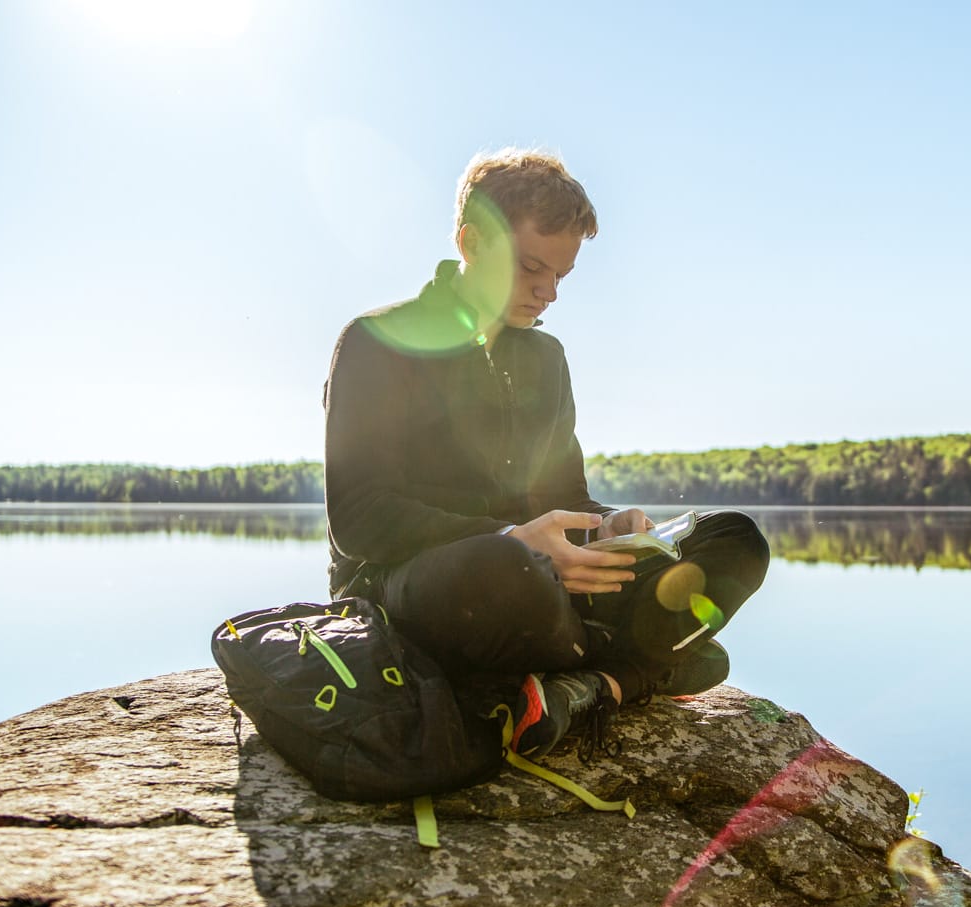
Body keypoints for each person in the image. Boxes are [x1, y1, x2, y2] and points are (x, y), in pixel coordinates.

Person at [323, 148, 768, 761]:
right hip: (423, 584)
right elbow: (359, 518)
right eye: (531, 267)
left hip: (548, 580)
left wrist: (609, 524)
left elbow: (565, 495)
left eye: (562, 275)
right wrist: (514, 538)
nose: (548, 292)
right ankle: (645, 663)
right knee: (511, 571)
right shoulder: (378, 340)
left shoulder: (545, 357)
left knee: (734, 538)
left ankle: (590, 684)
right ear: (471, 241)